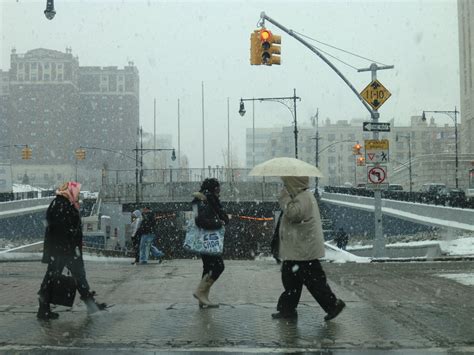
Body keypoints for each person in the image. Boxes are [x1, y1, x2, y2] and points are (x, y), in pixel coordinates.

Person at [272, 176, 345, 321]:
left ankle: (332, 305)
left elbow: (294, 214)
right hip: (297, 251)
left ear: (294, 183)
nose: (285, 186)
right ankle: (287, 310)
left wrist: (284, 199)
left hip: (304, 251)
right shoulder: (301, 196)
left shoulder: (303, 197)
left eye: (287, 183)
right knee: (291, 281)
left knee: (314, 282)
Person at [37, 181, 107, 320]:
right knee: (52, 278)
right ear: (69, 191)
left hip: (66, 250)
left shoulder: (65, 203)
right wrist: (69, 247)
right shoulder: (60, 204)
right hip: (62, 251)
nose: (78, 194)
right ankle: (43, 309)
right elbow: (60, 229)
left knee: (78, 276)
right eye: (77, 191)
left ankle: (90, 305)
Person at [191, 178, 229, 308]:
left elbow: (217, 215)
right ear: (213, 189)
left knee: (208, 267)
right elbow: (200, 220)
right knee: (218, 266)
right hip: (206, 239)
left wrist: (222, 219)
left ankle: (203, 299)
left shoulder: (209, 200)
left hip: (207, 239)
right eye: (218, 189)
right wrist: (219, 223)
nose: (219, 192)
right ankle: (200, 292)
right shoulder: (202, 201)